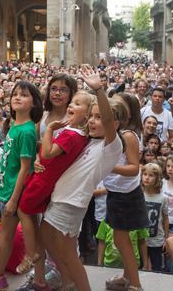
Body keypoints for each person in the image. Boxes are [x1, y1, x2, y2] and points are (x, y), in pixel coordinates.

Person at [37, 66, 124, 291]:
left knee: (68, 253)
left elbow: (107, 118)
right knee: (45, 237)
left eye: (99, 118)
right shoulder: (87, 140)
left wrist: (99, 90)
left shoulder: (111, 146)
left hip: (71, 202)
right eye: (91, 116)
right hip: (60, 198)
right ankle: (67, 281)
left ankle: (77, 285)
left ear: (114, 125)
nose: (93, 121)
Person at [17, 90, 92, 278]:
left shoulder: (71, 135)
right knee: (32, 216)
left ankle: (31, 253)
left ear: (87, 114)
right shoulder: (80, 135)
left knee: (22, 210)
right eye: (72, 102)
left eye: (77, 104)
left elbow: (47, 153)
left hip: (42, 181)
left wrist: (50, 129)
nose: (71, 105)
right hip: (46, 180)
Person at [0, 81, 42, 290]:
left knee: (9, 234)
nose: (17, 97)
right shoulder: (14, 126)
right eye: (15, 94)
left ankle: (7, 270)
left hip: (15, 192)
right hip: (6, 189)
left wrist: (14, 199)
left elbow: (25, 168)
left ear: (34, 103)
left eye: (24, 95)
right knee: (5, 234)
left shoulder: (27, 131)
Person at [102, 92, 147, 291]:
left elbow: (134, 168)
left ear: (128, 112)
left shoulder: (128, 136)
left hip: (126, 195)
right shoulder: (118, 134)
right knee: (123, 239)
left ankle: (135, 284)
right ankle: (127, 277)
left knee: (121, 241)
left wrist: (109, 167)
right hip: (117, 193)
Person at [141, 162, 169, 272]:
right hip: (140, 239)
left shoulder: (163, 198)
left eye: (151, 175)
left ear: (157, 179)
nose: (147, 178)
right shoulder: (138, 195)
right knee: (141, 267)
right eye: (145, 174)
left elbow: (165, 219)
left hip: (156, 240)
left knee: (157, 268)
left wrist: (166, 238)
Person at [39, 73, 78, 140]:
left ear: (71, 93)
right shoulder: (43, 115)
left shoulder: (74, 120)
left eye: (63, 90)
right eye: (53, 89)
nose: (57, 93)